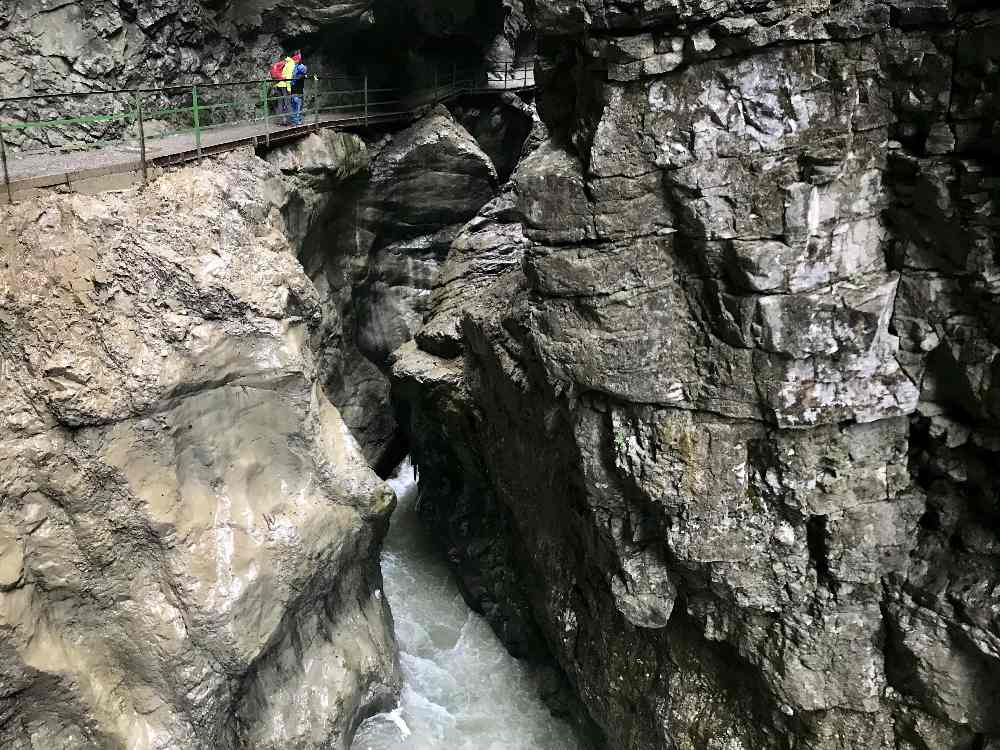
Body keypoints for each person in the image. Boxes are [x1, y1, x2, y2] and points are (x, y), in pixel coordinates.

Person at [288, 52, 308, 126]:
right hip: (298, 90)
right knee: (297, 105)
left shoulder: (293, 68)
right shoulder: (300, 68)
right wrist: (304, 75)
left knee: (294, 105)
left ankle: (294, 120)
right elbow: (303, 71)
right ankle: (296, 121)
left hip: (293, 89)